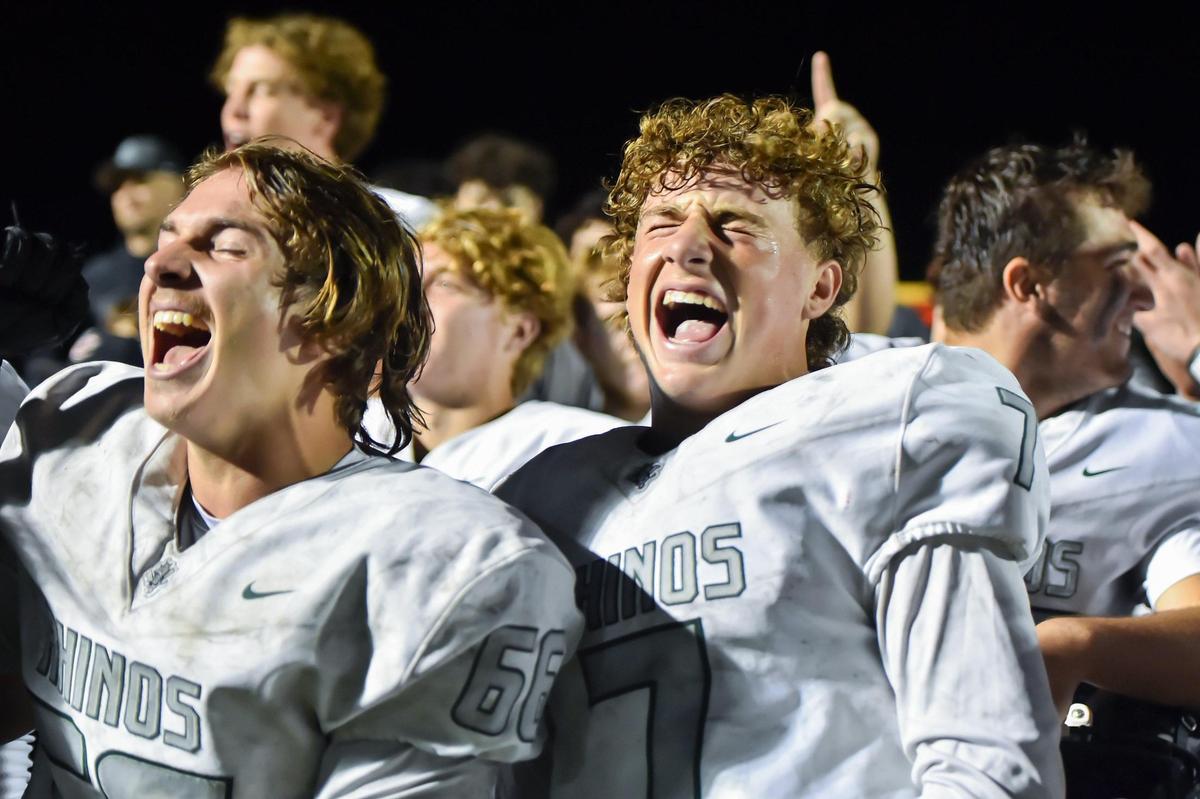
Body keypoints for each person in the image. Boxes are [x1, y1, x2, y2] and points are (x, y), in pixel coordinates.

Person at [498, 94, 1063, 797]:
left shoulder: (887, 422)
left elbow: (989, 763)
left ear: (821, 286)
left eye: (735, 223)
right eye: (662, 221)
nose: (689, 244)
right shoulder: (541, 496)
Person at [0, 143, 581, 796]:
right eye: (168, 240)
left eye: (223, 245)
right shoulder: (74, 432)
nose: (161, 264)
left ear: (336, 324)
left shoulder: (439, 565)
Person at [926, 140, 1200, 722]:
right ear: (1028, 285)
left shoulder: (1162, 442)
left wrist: (1070, 644)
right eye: (1116, 268)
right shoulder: (853, 383)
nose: (1148, 296)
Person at [364, 206, 625, 490]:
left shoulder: (575, 447)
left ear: (519, 330)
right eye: (410, 281)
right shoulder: (347, 426)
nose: (410, 300)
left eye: (444, 283)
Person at [211, 12, 437, 228]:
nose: (233, 109)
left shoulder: (406, 221)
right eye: (231, 89)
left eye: (262, 90)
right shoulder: (202, 219)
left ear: (326, 116)